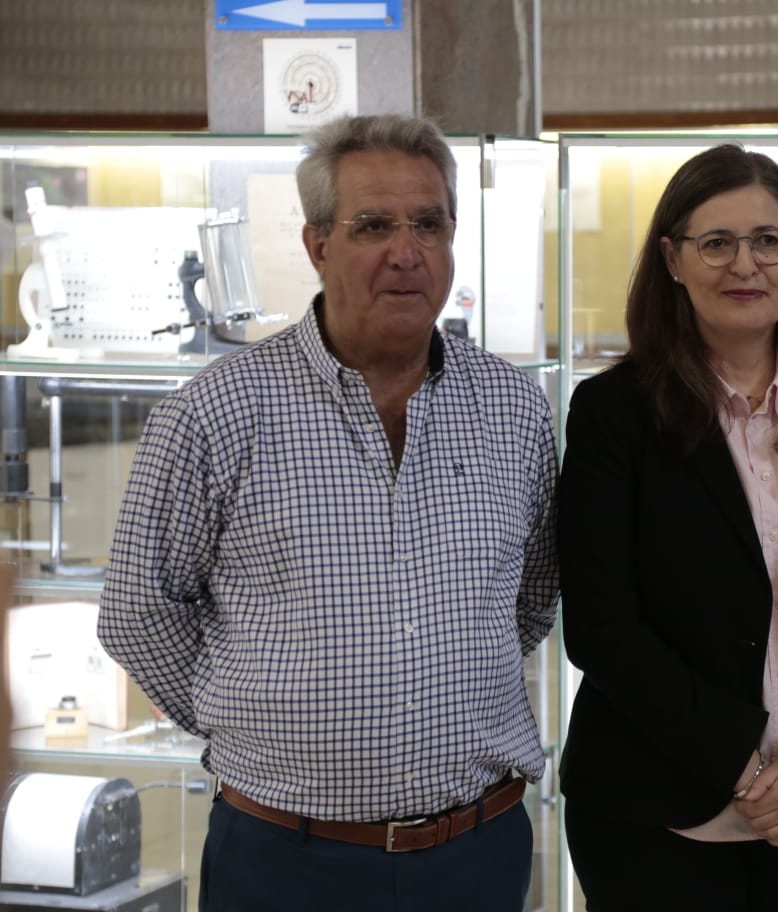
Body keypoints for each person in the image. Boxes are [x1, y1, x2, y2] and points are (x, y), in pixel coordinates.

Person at [97, 114, 559, 912]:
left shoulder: (514, 407)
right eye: (373, 226)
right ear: (317, 245)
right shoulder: (216, 413)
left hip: (477, 852)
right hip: (285, 859)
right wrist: (244, 716)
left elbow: (530, 595)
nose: (405, 252)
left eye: (428, 224)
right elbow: (139, 610)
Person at [556, 144, 778, 912]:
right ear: (672, 261)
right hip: (656, 805)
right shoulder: (613, 413)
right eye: (715, 243)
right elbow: (601, 625)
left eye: (767, 241)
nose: (744, 264)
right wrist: (752, 775)